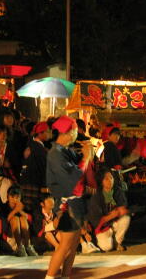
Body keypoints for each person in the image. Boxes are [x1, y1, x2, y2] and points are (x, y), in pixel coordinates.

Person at [45, 116, 93, 279]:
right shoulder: (55, 154)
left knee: (73, 245)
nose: (76, 134)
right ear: (67, 133)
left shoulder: (64, 150)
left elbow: (78, 165)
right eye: (74, 131)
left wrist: (86, 154)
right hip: (66, 203)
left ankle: (66, 276)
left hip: (74, 202)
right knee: (65, 245)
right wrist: (85, 158)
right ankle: (50, 277)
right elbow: (73, 177)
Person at [87, 168, 130, 252]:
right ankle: (108, 241)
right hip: (103, 227)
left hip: (114, 223)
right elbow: (96, 220)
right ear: (101, 181)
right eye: (106, 179)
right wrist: (112, 215)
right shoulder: (97, 196)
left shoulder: (118, 192)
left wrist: (120, 211)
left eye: (111, 178)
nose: (110, 181)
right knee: (107, 247)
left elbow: (122, 208)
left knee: (126, 219)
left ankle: (117, 242)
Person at [0, 185, 38, 257]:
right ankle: (19, 247)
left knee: (23, 218)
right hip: (10, 238)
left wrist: (20, 211)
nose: (14, 200)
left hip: (24, 238)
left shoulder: (24, 207)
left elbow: (31, 220)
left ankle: (28, 246)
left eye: (17, 198)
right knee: (15, 219)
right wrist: (15, 210)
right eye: (12, 197)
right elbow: (4, 223)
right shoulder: (3, 207)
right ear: (8, 197)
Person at [20, 122, 50, 213]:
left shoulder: (31, 145)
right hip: (35, 184)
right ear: (40, 133)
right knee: (34, 211)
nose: (49, 133)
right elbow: (43, 169)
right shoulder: (39, 149)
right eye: (47, 131)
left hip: (25, 182)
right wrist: (45, 186)